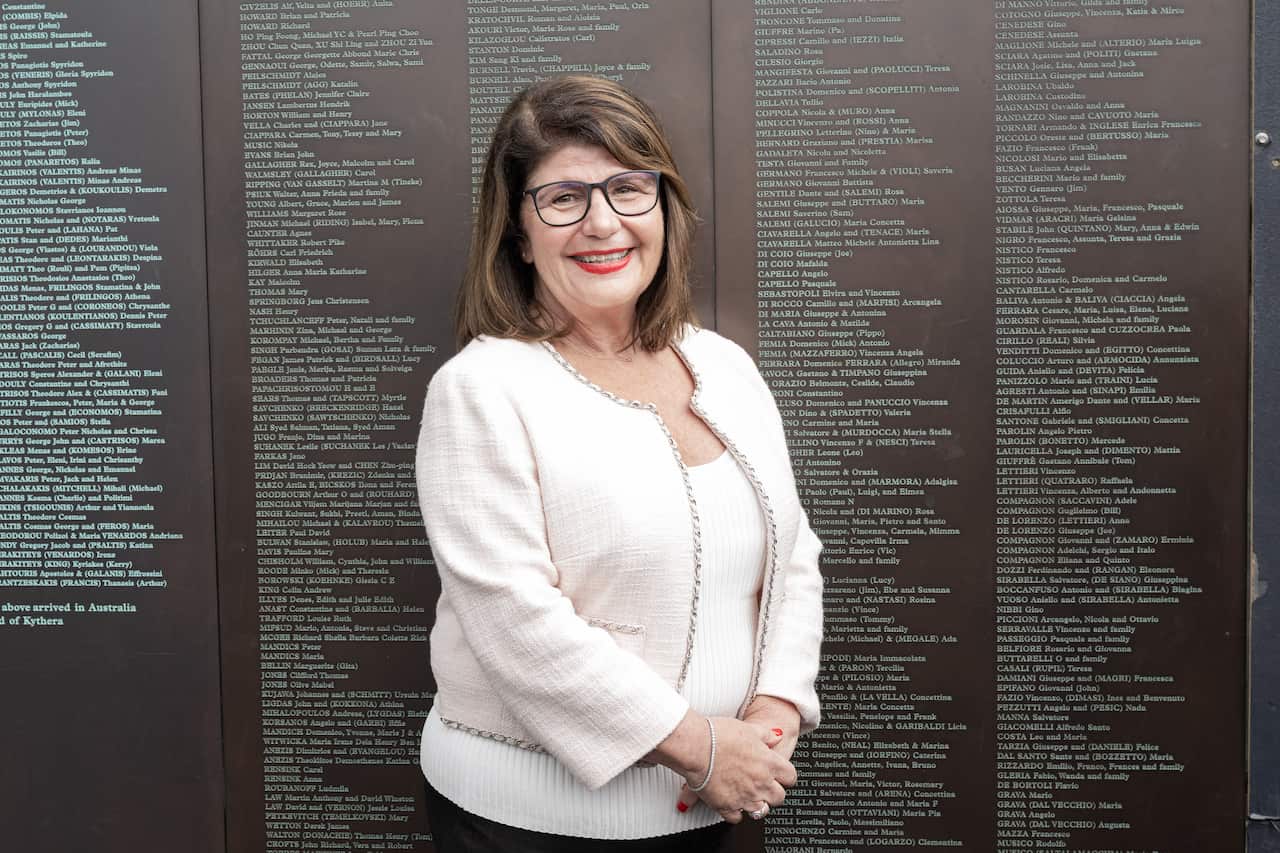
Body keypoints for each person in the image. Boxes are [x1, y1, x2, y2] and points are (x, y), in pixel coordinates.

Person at [415, 74, 823, 851]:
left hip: (716, 800)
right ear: (517, 233)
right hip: (526, 823)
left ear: (662, 207)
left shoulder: (724, 365)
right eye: (563, 199)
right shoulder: (480, 388)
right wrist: (699, 746)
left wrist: (774, 709)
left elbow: (792, 552)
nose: (603, 223)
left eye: (628, 188)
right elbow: (514, 621)